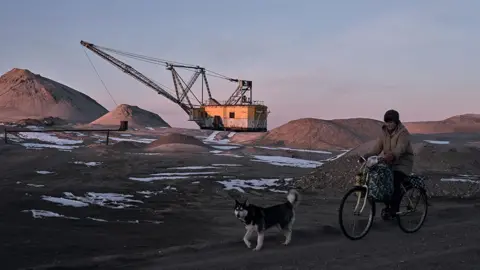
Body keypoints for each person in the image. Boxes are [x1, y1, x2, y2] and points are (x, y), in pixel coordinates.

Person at [361, 109, 414, 219]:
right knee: (382, 181)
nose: (389, 124)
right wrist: (366, 156)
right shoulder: (383, 133)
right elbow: (377, 148)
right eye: (387, 121)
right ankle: (388, 206)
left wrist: (392, 155)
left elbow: (401, 148)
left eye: (391, 122)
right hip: (388, 162)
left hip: (402, 164)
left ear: (396, 122)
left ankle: (394, 209)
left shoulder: (403, 133)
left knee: (394, 181)